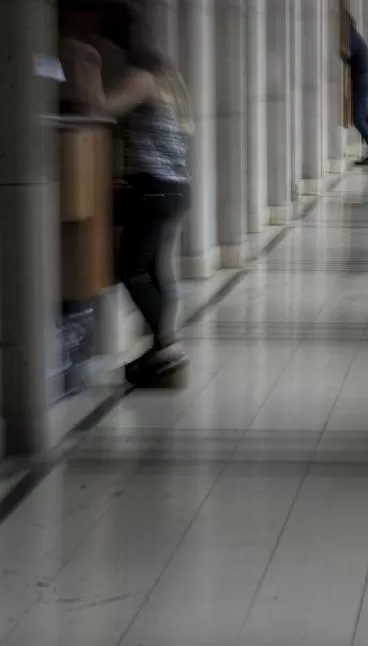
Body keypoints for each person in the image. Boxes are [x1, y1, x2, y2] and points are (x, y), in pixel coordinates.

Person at [68, 19, 193, 387]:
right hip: (172, 190)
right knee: (154, 270)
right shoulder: (170, 85)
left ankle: (168, 346)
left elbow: (103, 109)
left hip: (155, 190)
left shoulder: (142, 80)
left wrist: (88, 66)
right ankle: (162, 348)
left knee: (130, 268)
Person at [344, 19, 368, 166]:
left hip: (364, 83)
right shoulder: (356, 37)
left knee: (359, 118)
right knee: (367, 118)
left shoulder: (351, 38)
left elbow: (345, 53)